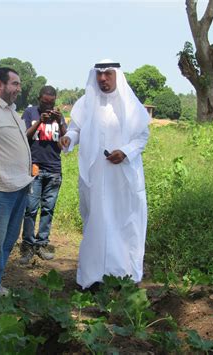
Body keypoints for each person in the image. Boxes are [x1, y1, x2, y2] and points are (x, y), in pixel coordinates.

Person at [59, 59, 151, 289]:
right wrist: (70, 138)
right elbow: (76, 128)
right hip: (96, 178)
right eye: (99, 75)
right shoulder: (86, 102)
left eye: (108, 74)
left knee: (123, 224)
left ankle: (125, 276)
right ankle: (93, 278)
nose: (103, 79)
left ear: (117, 76)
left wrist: (125, 152)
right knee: (96, 224)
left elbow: (142, 137)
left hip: (122, 178)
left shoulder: (130, 104)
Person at [0, 67, 33, 296]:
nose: (19, 89)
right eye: (15, 84)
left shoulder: (11, 110)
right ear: (0, 84)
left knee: (9, 240)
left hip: (20, 186)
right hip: (0, 188)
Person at [19, 86, 67, 264]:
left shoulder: (58, 116)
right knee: (30, 208)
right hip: (35, 167)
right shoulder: (30, 113)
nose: (47, 106)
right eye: (44, 102)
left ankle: (42, 243)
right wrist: (39, 121)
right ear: (38, 98)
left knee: (48, 209)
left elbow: (65, 143)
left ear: (55, 100)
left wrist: (60, 122)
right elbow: (24, 137)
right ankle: (28, 245)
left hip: (54, 168)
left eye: (51, 102)